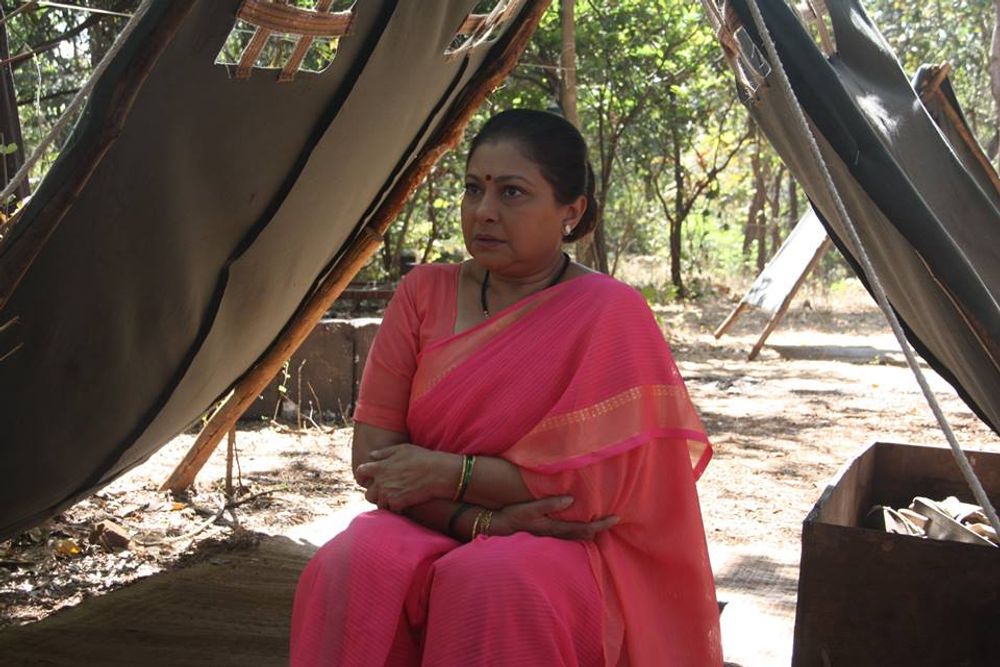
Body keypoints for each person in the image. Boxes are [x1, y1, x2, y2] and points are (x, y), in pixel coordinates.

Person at [289, 109, 722, 666]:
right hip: (430, 520)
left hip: (569, 543)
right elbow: (376, 463)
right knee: (351, 562)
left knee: (494, 581)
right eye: (474, 189)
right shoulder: (422, 294)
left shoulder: (611, 312)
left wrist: (446, 472)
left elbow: (587, 496)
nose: (484, 212)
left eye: (512, 192)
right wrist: (483, 520)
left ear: (571, 212)